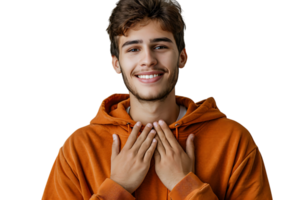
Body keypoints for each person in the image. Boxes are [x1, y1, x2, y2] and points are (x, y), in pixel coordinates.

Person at [41, 0, 273, 199]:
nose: (148, 59)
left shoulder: (233, 141)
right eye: (133, 49)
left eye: (160, 46)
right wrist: (118, 187)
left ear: (181, 57)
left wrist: (186, 186)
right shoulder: (79, 148)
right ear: (116, 65)